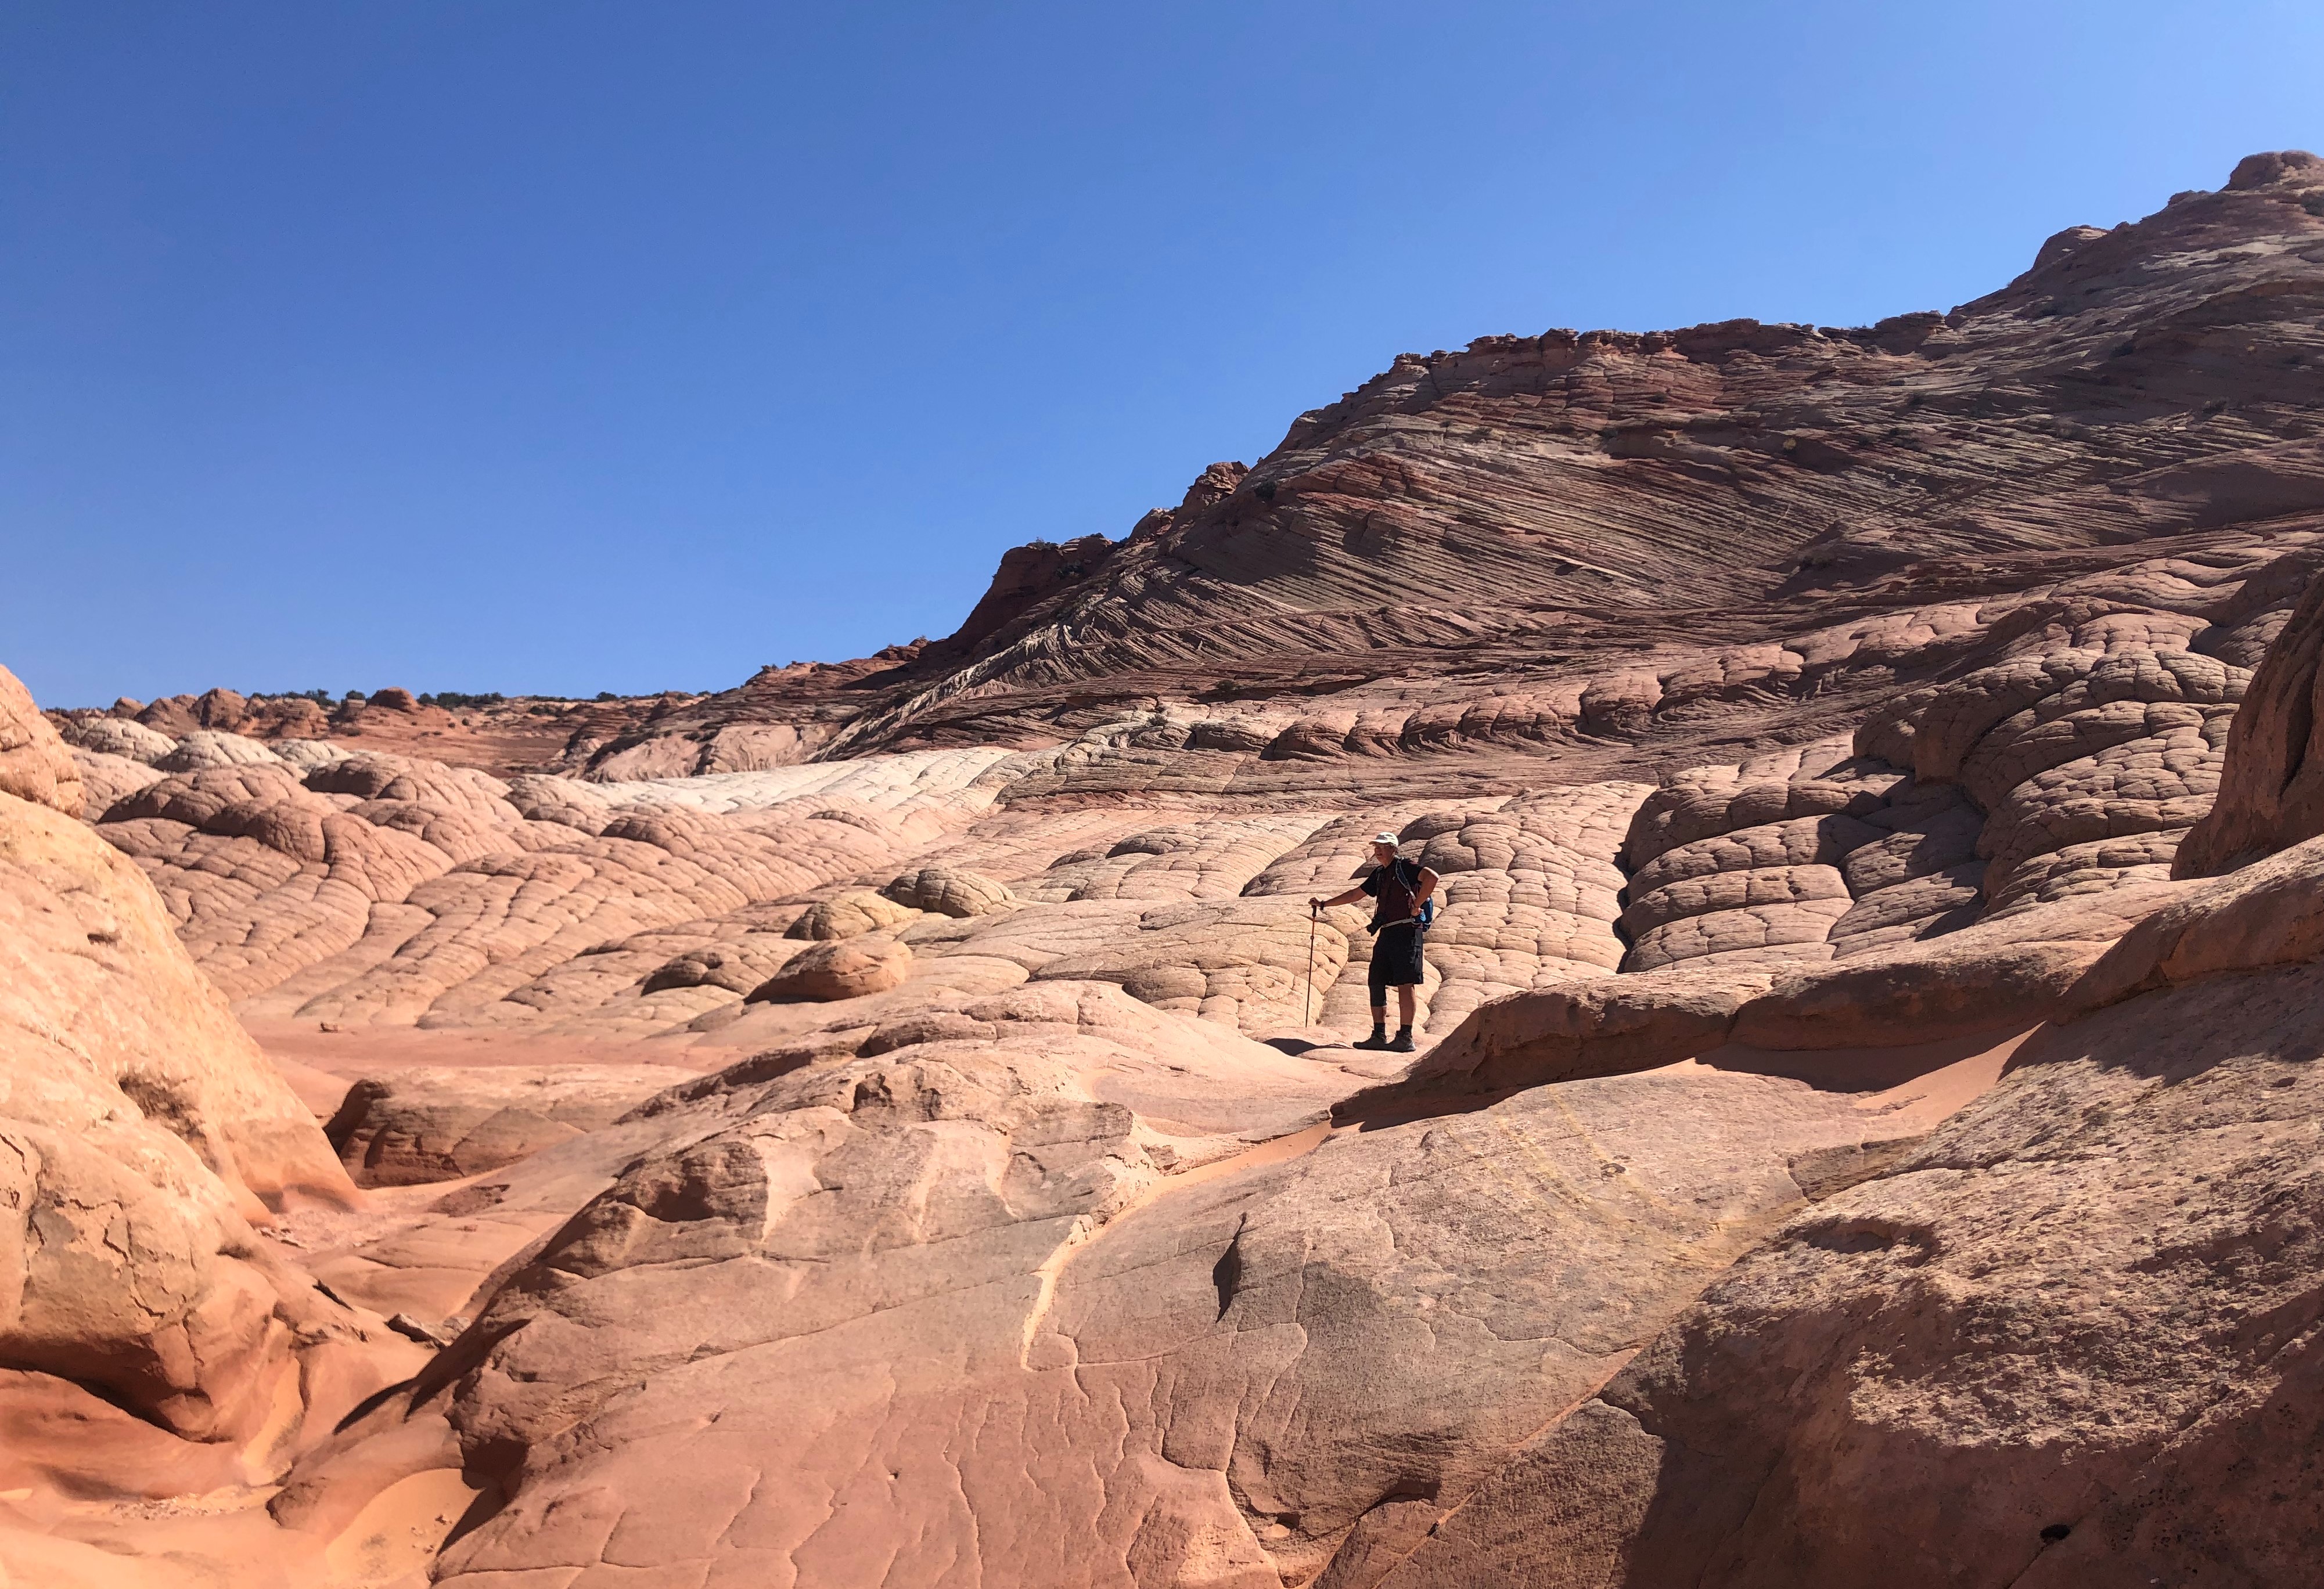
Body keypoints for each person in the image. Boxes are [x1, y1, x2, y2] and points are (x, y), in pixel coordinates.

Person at [1311, 831, 1439, 1052]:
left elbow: (1432, 877)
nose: (1377, 850)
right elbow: (1355, 895)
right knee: (1376, 980)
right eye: (1376, 846)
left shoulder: (1405, 867)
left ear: (1393, 848)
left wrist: (1417, 904)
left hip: (1408, 930)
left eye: (1382, 846)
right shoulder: (1379, 873)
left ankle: (1405, 1037)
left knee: (1405, 983)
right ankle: (1379, 1035)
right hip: (1387, 932)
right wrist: (1324, 904)